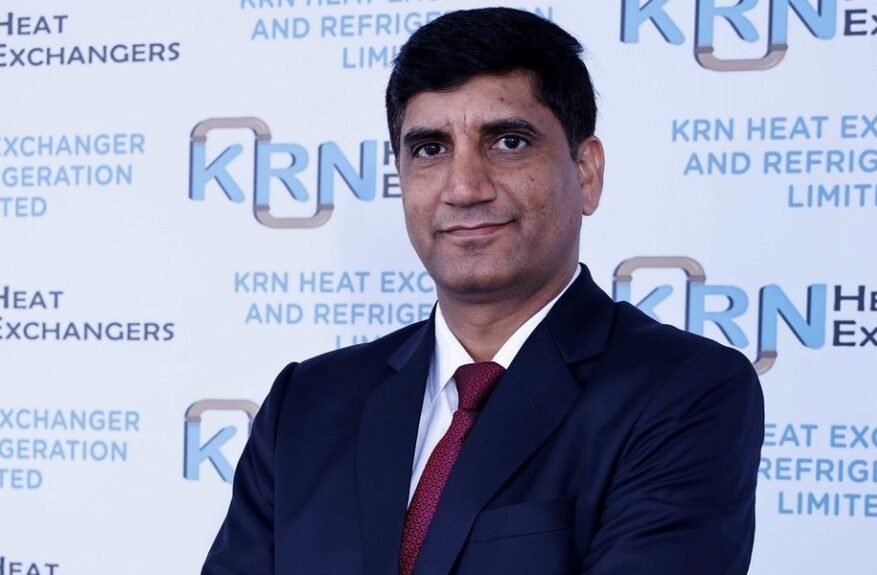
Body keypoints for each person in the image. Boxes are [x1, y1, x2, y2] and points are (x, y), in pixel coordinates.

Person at [202, 7, 763, 575]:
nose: (465, 187)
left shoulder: (683, 391)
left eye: (509, 142)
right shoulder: (306, 403)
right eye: (430, 149)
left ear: (586, 173)